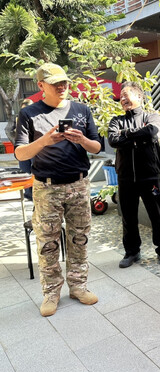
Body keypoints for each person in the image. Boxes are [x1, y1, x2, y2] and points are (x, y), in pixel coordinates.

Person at [14, 63, 101, 317]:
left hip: (78, 184)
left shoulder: (81, 109)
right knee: (48, 242)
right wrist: (45, 140)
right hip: (47, 187)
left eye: (64, 82)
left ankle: (78, 285)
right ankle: (51, 292)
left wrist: (81, 140)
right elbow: (21, 152)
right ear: (41, 86)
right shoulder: (30, 114)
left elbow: (97, 147)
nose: (62, 87)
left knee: (79, 237)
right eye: (55, 84)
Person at [108, 82, 160, 268]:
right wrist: (137, 136)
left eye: (127, 95)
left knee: (157, 215)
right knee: (128, 217)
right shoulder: (116, 121)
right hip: (126, 177)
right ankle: (132, 252)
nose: (123, 99)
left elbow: (152, 131)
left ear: (139, 97)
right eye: (121, 96)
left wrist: (126, 135)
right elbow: (113, 140)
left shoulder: (151, 116)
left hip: (149, 175)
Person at [17, 99, 34, 200]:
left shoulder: (37, 118)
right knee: (24, 170)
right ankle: (28, 194)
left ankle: (34, 194)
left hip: (34, 148)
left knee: (35, 171)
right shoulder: (20, 119)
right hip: (23, 149)